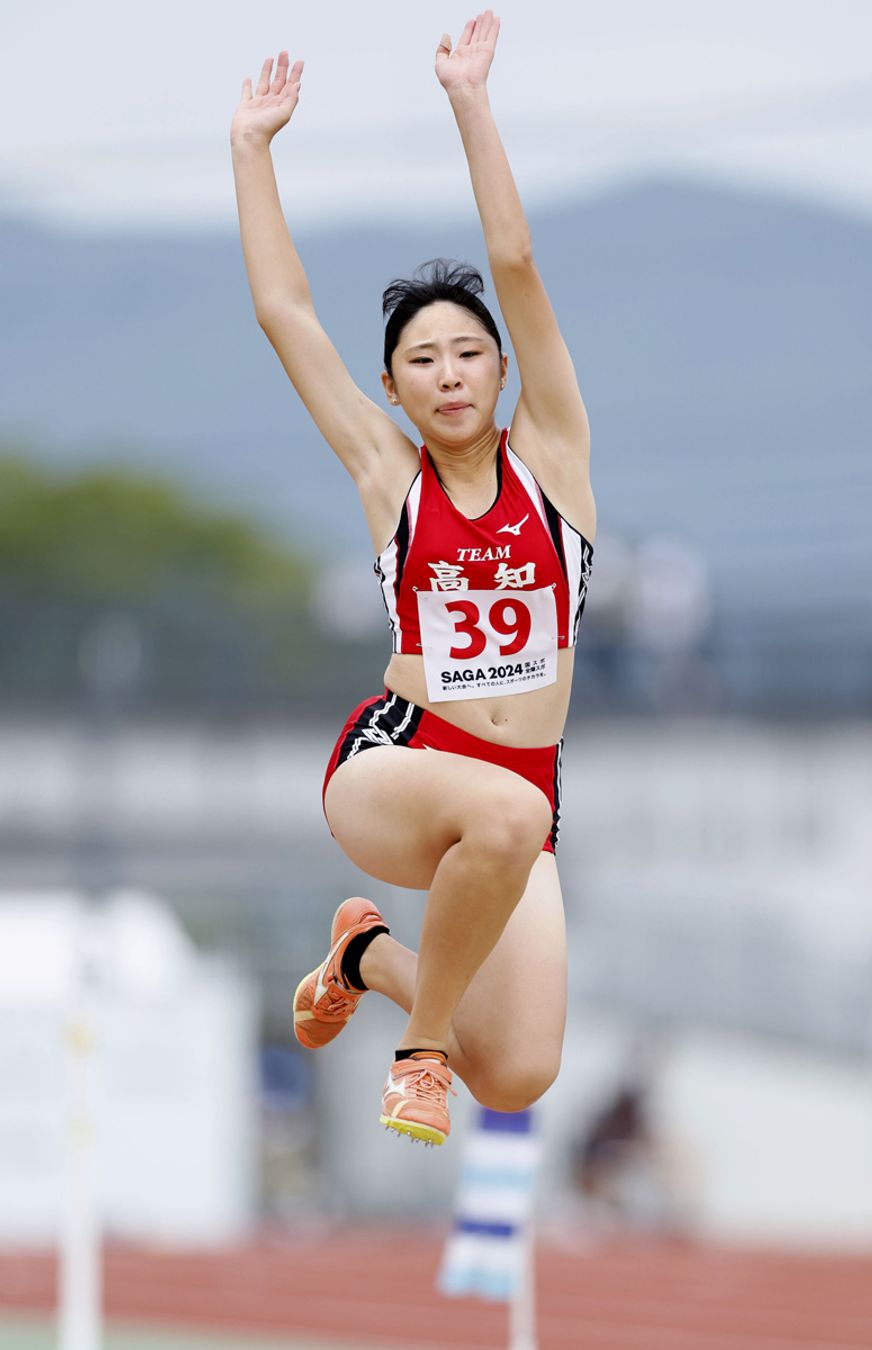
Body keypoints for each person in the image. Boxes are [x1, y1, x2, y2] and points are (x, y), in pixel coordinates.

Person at [230, 11, 595, 1147]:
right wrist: (252, 151)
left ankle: (365, 955)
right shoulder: (391, 475)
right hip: (402, 762)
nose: (448, 376)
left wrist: (470, 104)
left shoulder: (557, 463)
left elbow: (520, 265)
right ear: (392, 390)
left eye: (467, 354)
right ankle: (418, 1055)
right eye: (421, 362)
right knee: (503, 807)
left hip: (520, 802)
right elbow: (286, 317)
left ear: (502, 370)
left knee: (523, 1073)